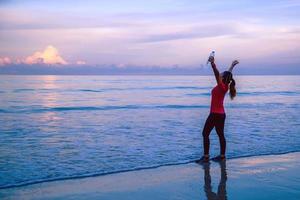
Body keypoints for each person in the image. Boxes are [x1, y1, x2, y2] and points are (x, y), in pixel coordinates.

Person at [197, 56, 239, 163]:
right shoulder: (224, 86)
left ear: (223, 78)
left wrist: (213, 64)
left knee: (205, 134)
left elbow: (217, 74)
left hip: (215, 114)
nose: (219, 75)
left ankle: (206, 157)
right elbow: (227, 75)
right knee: (220, 135)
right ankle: (222, 156)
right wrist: (232, 66)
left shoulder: (221, 86)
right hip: (220, 115)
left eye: (221, 75)